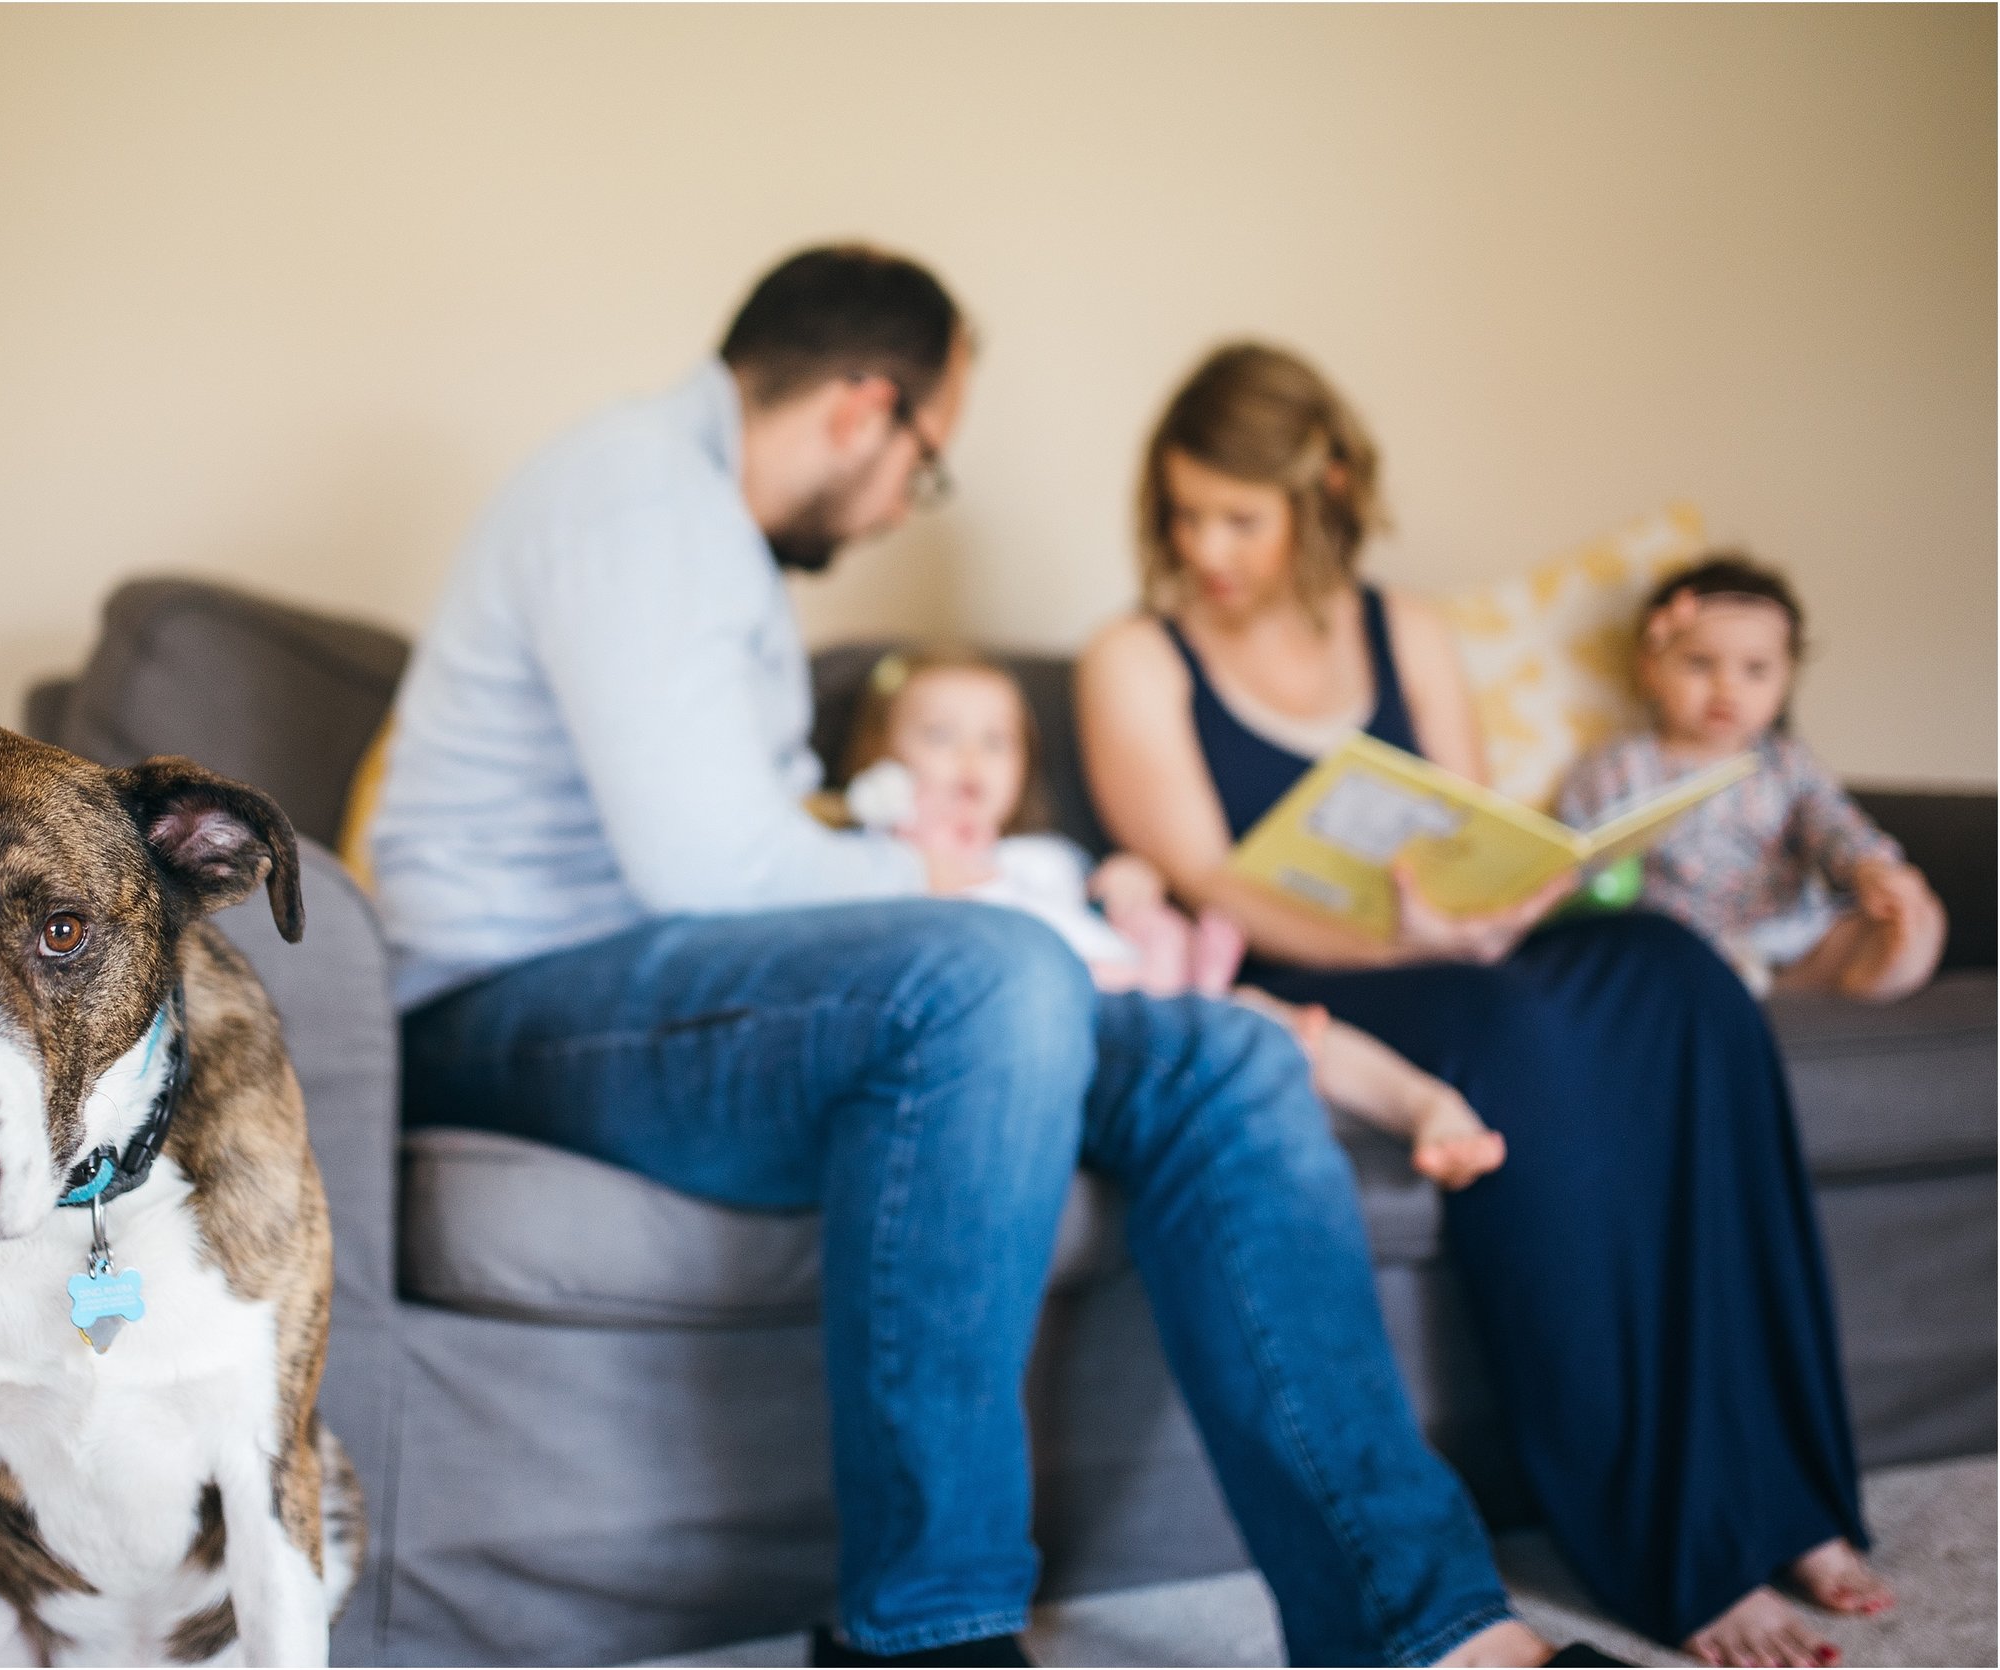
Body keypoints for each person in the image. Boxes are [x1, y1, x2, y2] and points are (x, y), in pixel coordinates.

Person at [371, 248, 1580, 1667]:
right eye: (922, 465)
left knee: (1230, 1057)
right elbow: (712, 873)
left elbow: (750, 879)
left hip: (695, 993)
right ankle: (928, 1631)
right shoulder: (638, 499)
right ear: (862, 410)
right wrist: (942, 881)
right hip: (510, 1007)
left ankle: (1424, 1629)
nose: (901, 507)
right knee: (989, 971)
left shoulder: (706, 533)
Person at [1076, 341, 1889, 1668]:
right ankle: (1676, 1540)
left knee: (1675, 978)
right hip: (1301, 969)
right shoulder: (1135, 656)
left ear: (1324, 486)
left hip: (1448, 949)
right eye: (1183, 514)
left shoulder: (1409, 630)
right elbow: (1198, 867)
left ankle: (1790, 1484)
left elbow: (1479, 831)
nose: (1203, 546)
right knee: (1518, 1037)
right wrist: (1388, 942)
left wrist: (1493, 904)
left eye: (1238, 513)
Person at [837, 645, 1505, 1189]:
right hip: (1058, 1020)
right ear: (879, 761)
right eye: (939, 736)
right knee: (1241, 1041)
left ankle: (1424, 1103)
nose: (970, 760)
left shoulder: (1042, 858)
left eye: (996, 741)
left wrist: (1133, 880)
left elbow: (1097, 907)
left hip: (1145, 990)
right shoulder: (876, 863)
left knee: (1265, 1018)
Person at [1557, 554, 1946, 1000]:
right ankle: (1735, 992)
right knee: (1635, 955)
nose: (1727, 687)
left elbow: (1832, 823)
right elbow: (1578, 857)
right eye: (1700, 664)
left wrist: (1870, 869)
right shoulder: (1618, 766)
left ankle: (1859, 968)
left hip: (1794, 936)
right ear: (1651, 668)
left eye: (1755, 669)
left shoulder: (1786, 764)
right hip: (1686, 946)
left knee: (1905, 916)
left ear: (1786, 681)